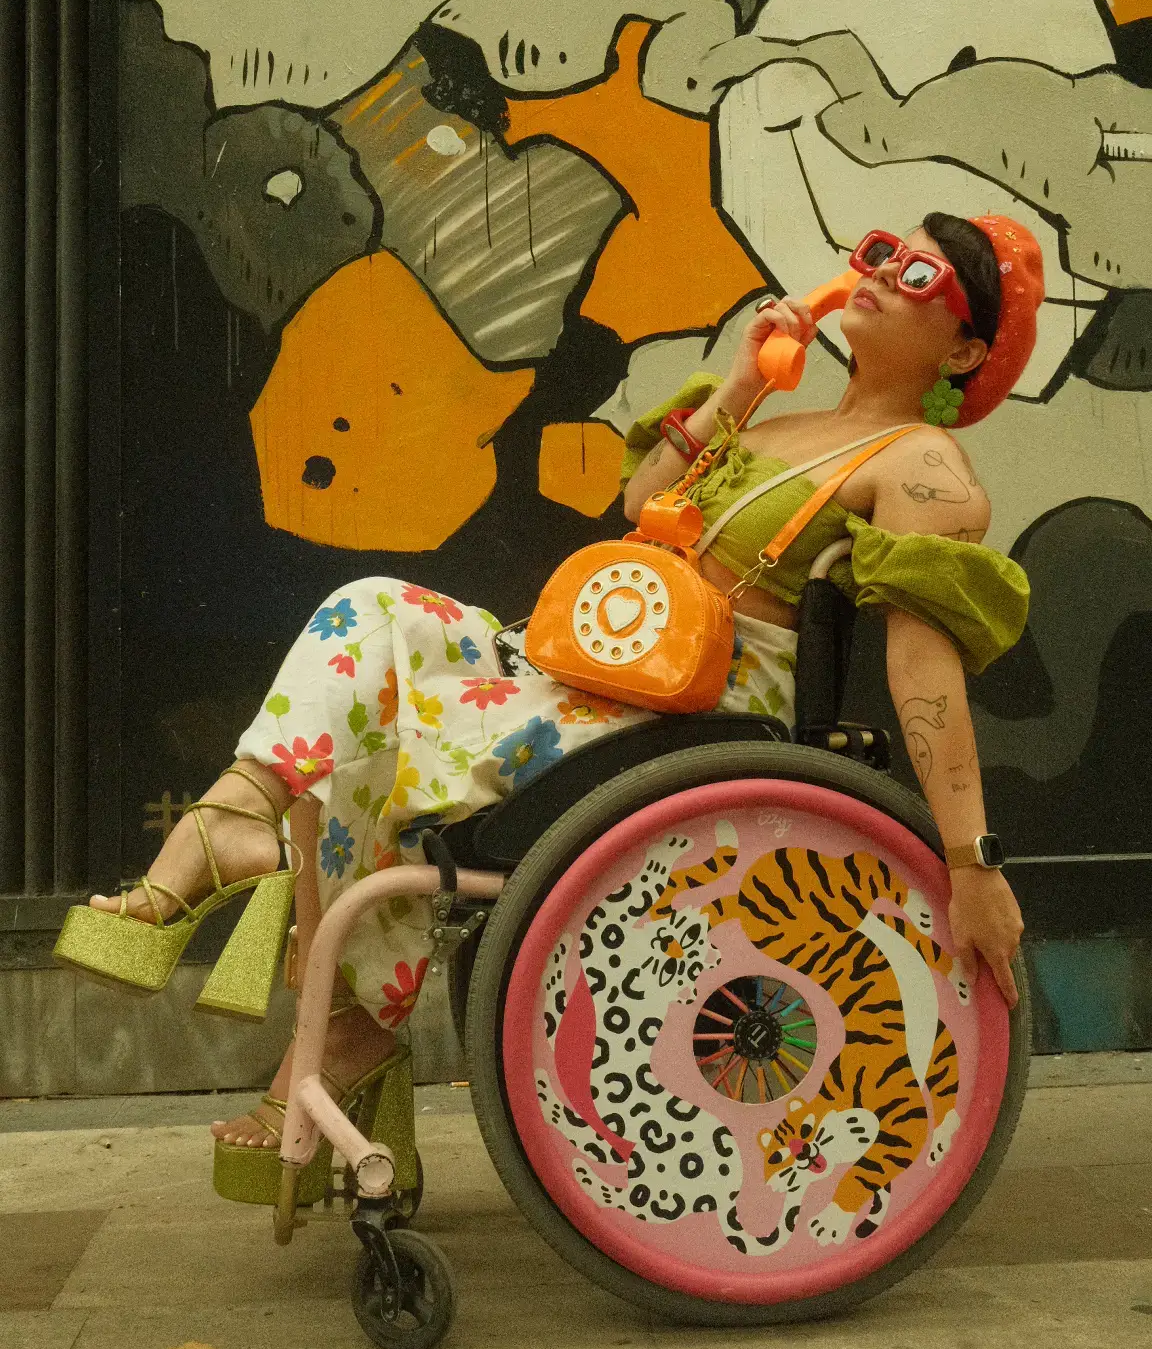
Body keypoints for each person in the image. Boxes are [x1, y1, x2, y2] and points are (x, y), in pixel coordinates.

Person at [55, 211, 1042, 1182]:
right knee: (372, 611)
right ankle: (237, 824)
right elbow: (642, 497)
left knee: (392, 736)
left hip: (698, 717)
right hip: (605, 671)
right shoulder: (785, 422)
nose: (883, 271)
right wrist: (744, 382)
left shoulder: (924, 466)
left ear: (964, 351)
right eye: (881, 252)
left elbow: (923, 670)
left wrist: (972, 861)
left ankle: (344, 1023)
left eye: (922, 274)